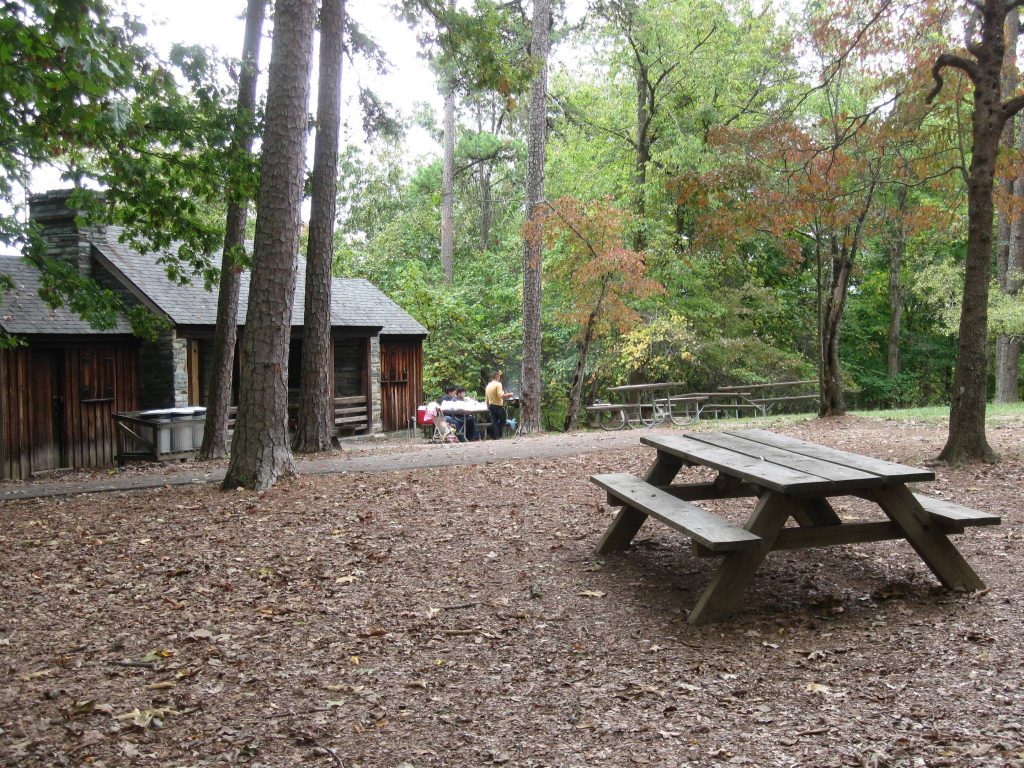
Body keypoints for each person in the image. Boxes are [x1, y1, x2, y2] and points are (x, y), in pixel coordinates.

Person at [484, 370, 514, 439]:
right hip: (498, 405)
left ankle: (495, 436)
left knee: (494, 422)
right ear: (497, 376)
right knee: (503, 420)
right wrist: (510, 394)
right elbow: (500, 395)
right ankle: (495, 435)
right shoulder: (498, 384)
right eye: (499, 376)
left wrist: (488, 407)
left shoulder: (488, 385)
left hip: (491, 405)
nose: (500, 378)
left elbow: (486, 399)